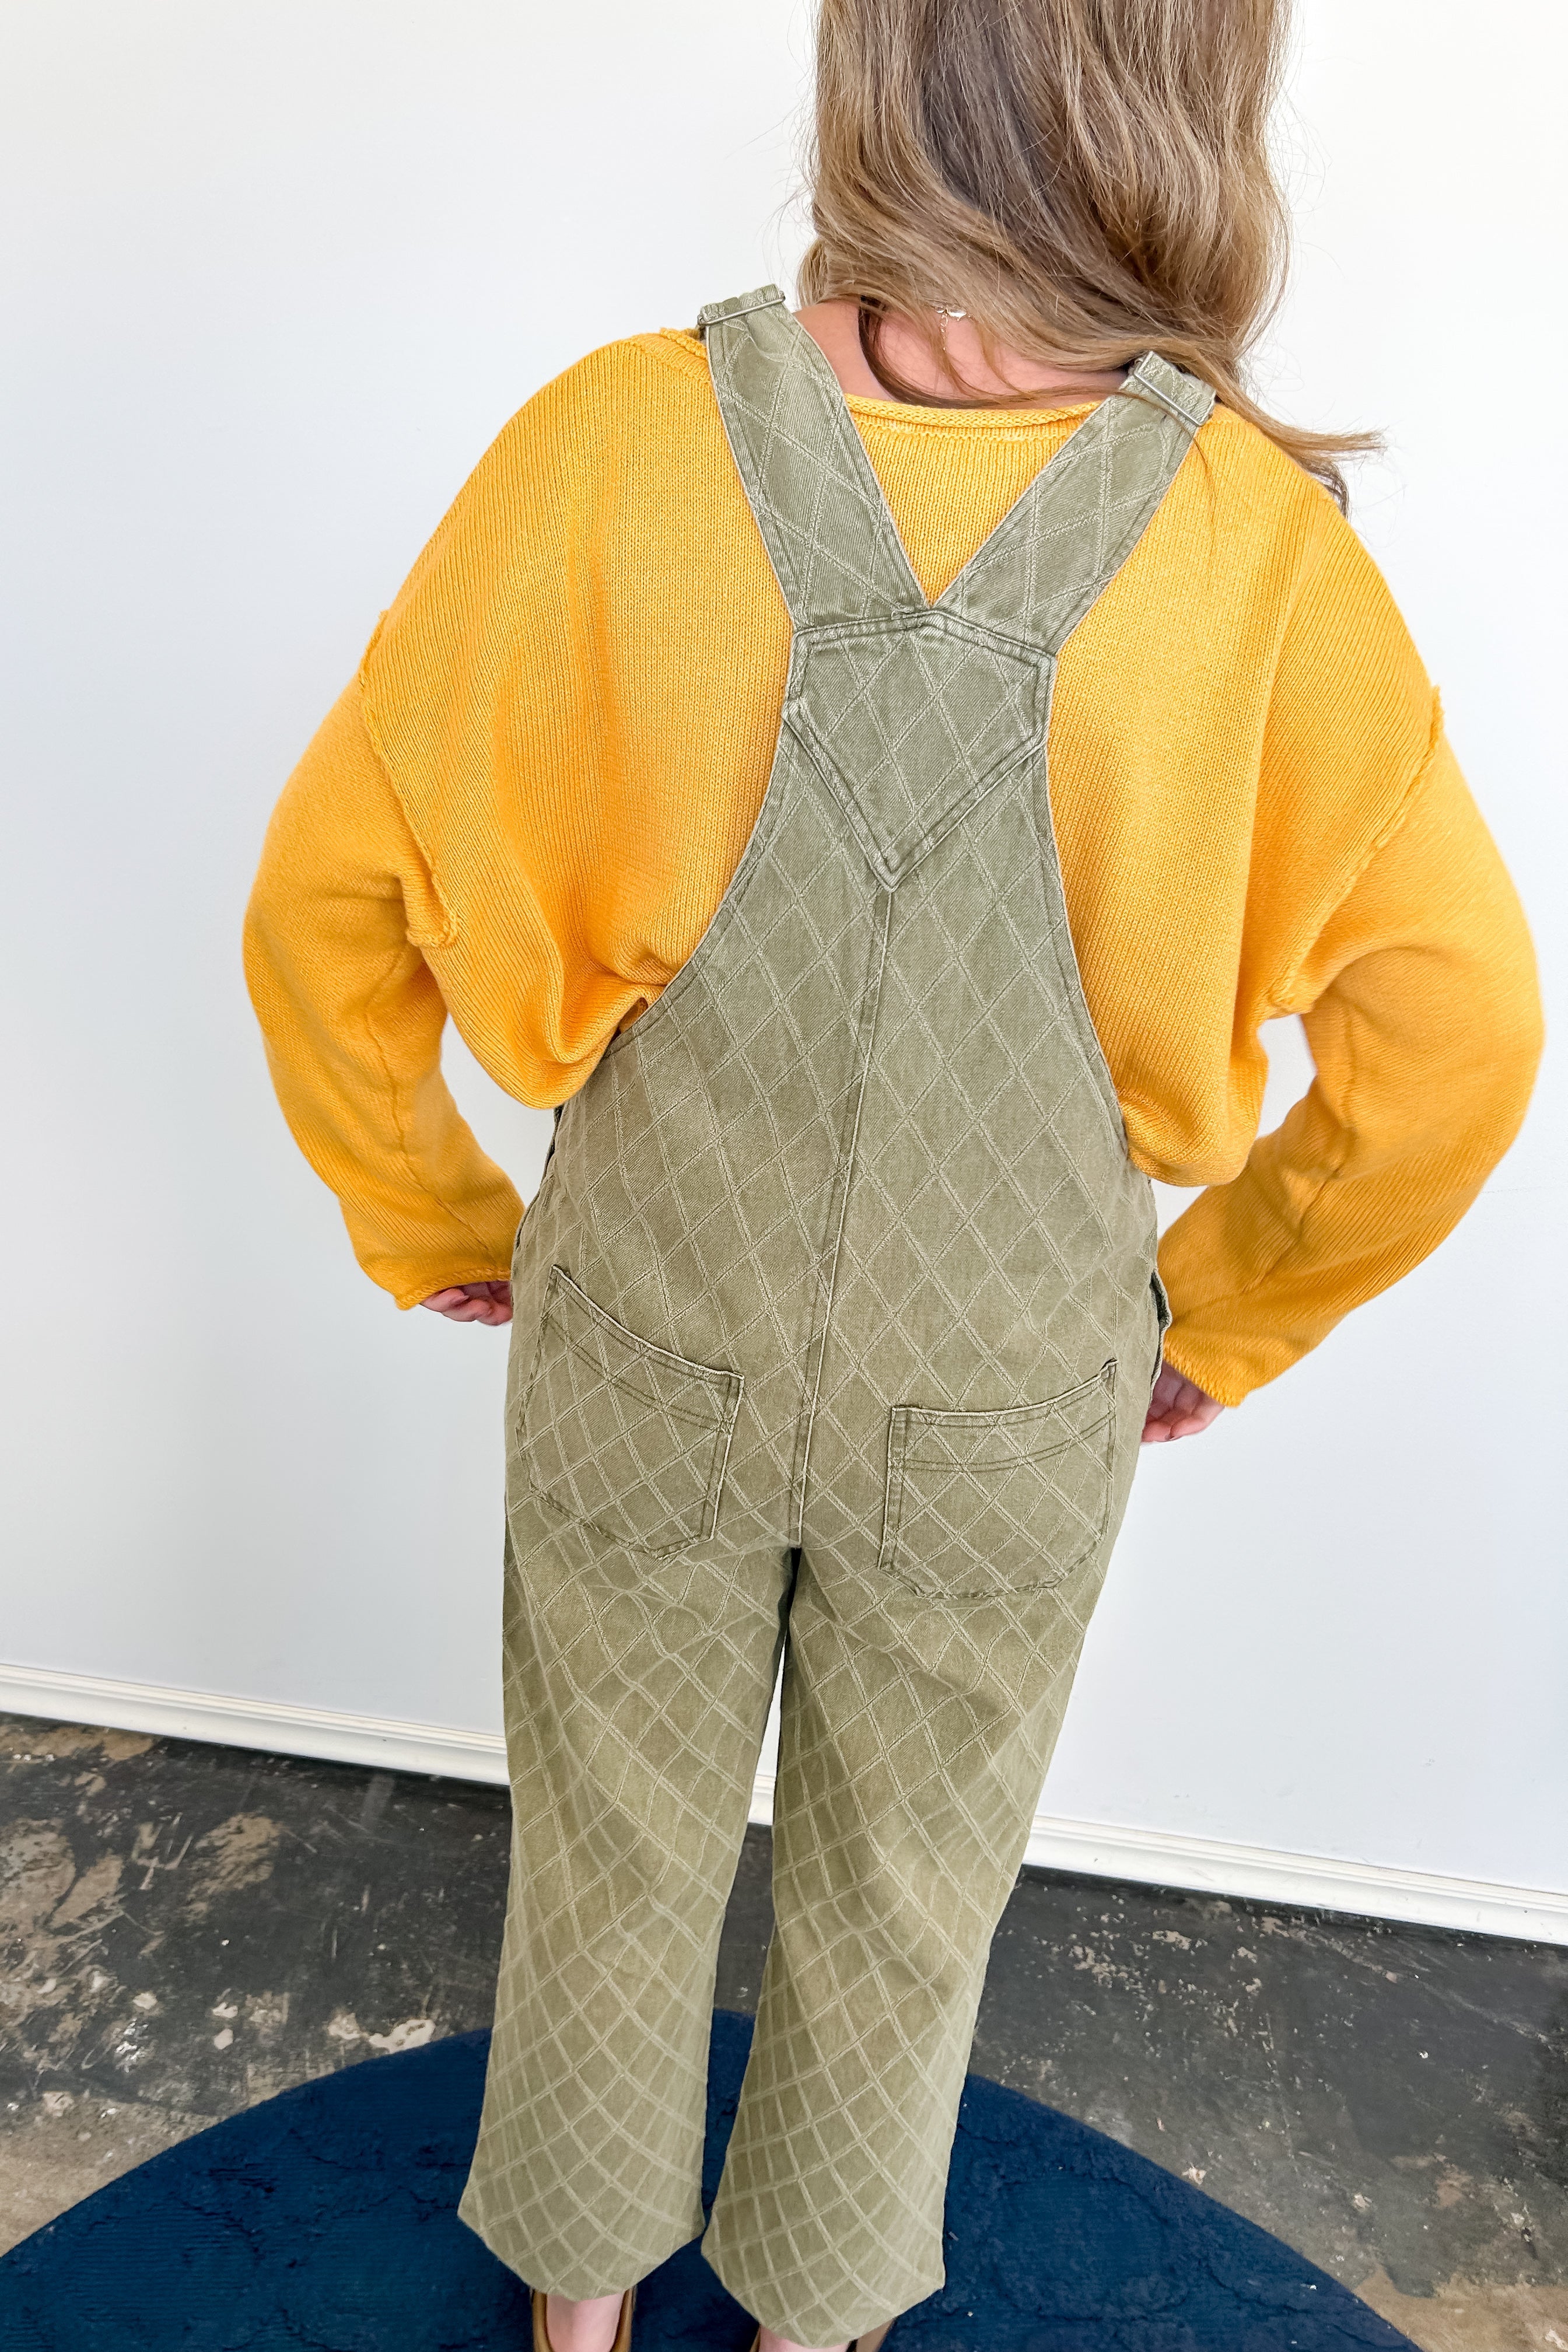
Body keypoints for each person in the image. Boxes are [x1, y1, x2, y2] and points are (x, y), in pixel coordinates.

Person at [244, 2, 1541, 2347]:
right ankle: (826, 2320)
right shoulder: (1261, 562)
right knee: (910, 1882)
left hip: (653, 1314)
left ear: (874, 77)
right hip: (1013, 1371)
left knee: (615, 1850)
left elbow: (328, 905)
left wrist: (429, 1214)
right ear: (1192, 109)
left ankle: (577, 2315)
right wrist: (1215, 1312)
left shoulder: (607, 449)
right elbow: (1457, 1040)